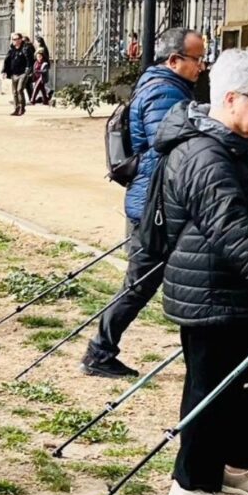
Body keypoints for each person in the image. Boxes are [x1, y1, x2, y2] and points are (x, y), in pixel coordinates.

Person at [151, 48, 248, 495]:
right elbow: (233, 228)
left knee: (234, 388)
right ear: (232, 99)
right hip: (209, 291)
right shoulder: (203, 153)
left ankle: (229, 463)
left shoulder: (232, 144)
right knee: (209, 389)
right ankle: (190, 483)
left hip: (232, 290)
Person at [80, 28, 203, 378]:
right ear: (174, 60)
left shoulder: (167, 86)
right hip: (156, 208)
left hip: (155, 203)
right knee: (140, 284)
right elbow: (171, 142)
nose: (202, 65)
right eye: (196, 58)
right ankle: (99, 352)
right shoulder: (164, 91)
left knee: (148, 283)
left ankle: (101, 350)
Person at [1, 33, 34, 116]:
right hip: (14, 73)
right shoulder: (11, 50)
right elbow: (7, 61)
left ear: (20, 39)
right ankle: (16, 108)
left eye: (16, 39)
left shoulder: (25, 48)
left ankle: (22, 107)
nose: (14, 41)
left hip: (23, 73)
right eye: (13, 39)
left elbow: (30, 61)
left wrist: (28, 70)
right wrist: (4, 71)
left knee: (20, 89)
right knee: (14, 92)